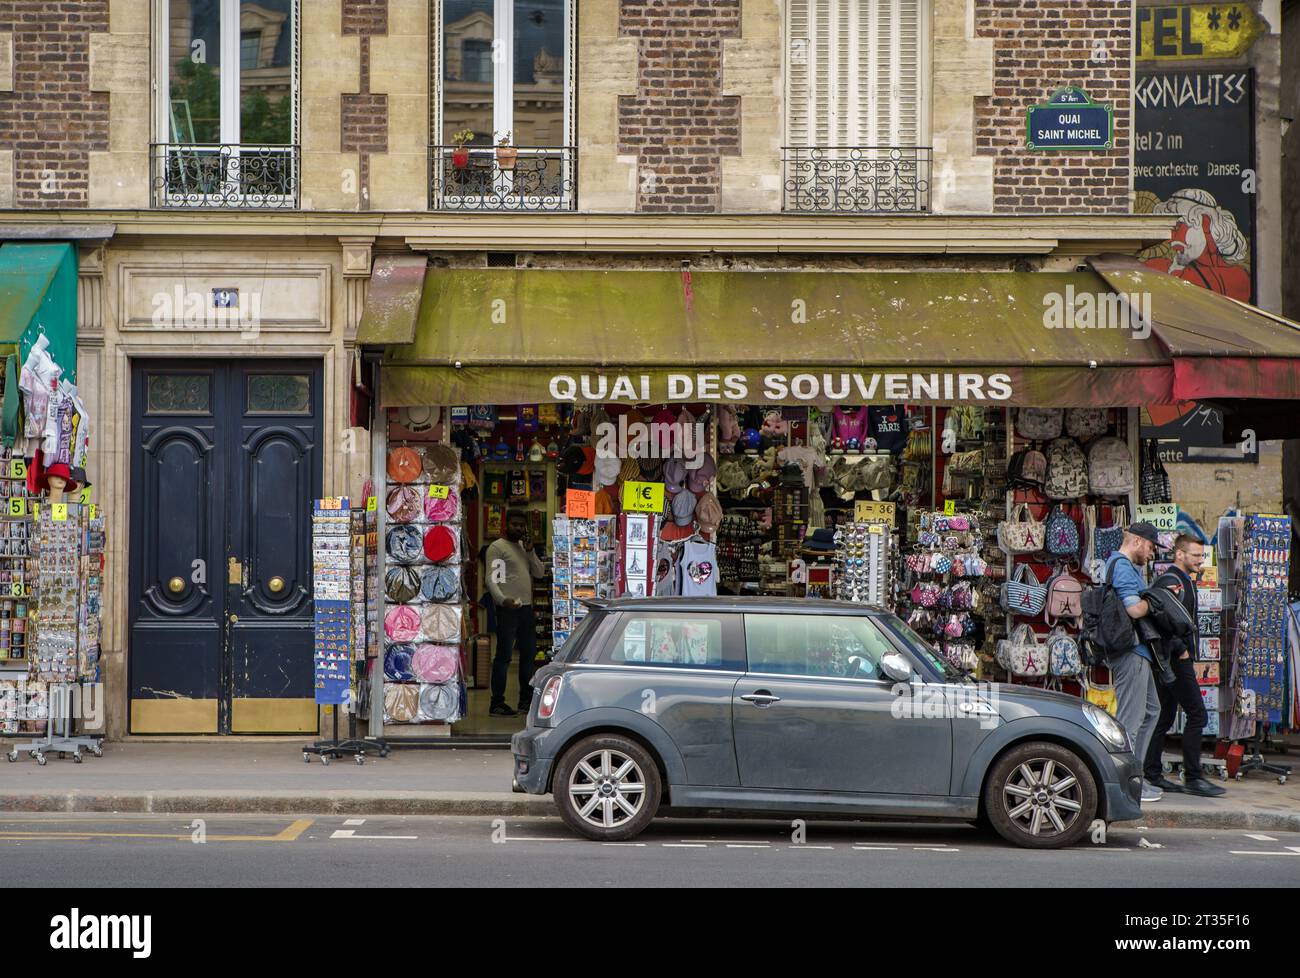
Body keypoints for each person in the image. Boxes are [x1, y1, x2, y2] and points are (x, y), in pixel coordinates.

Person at [1143, 535, 1227, 798]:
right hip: (1174, 660)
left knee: (1164, 716)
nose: (1200, 560)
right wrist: (1181, 648)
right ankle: (1193, 778)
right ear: (1179, 554)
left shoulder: (1184, 580)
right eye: (1196, 555)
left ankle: (1152, 774)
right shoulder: (1171, 581)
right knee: (1198, 714)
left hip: (1171, 660)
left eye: (1202, 556)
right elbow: (1159, 617)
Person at [1104, 522, 1165, 802]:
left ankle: (1135, 778)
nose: (1152, 553)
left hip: (1137, 652)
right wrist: (1156, 601)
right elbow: (1133, 609)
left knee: (1152, 711)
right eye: (1151, 547)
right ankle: (1124, 786)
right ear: (1138, 541)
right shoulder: (1123, 567)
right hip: (1130, 652)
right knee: (1130, 720)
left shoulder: (1122, 565)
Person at [484, 510, 545, 717]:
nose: (518, 528)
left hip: (526, 609)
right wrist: (502, 600)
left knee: (528, 656)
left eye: (521, 525)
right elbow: (492, 579)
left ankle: (525, 701)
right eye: (514, 524)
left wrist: (531, 552)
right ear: (506, 524)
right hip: (507, 609)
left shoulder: (523, 547)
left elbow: (539, 573)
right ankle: (497, 703)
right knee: (504, 656)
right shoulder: (497, 547)